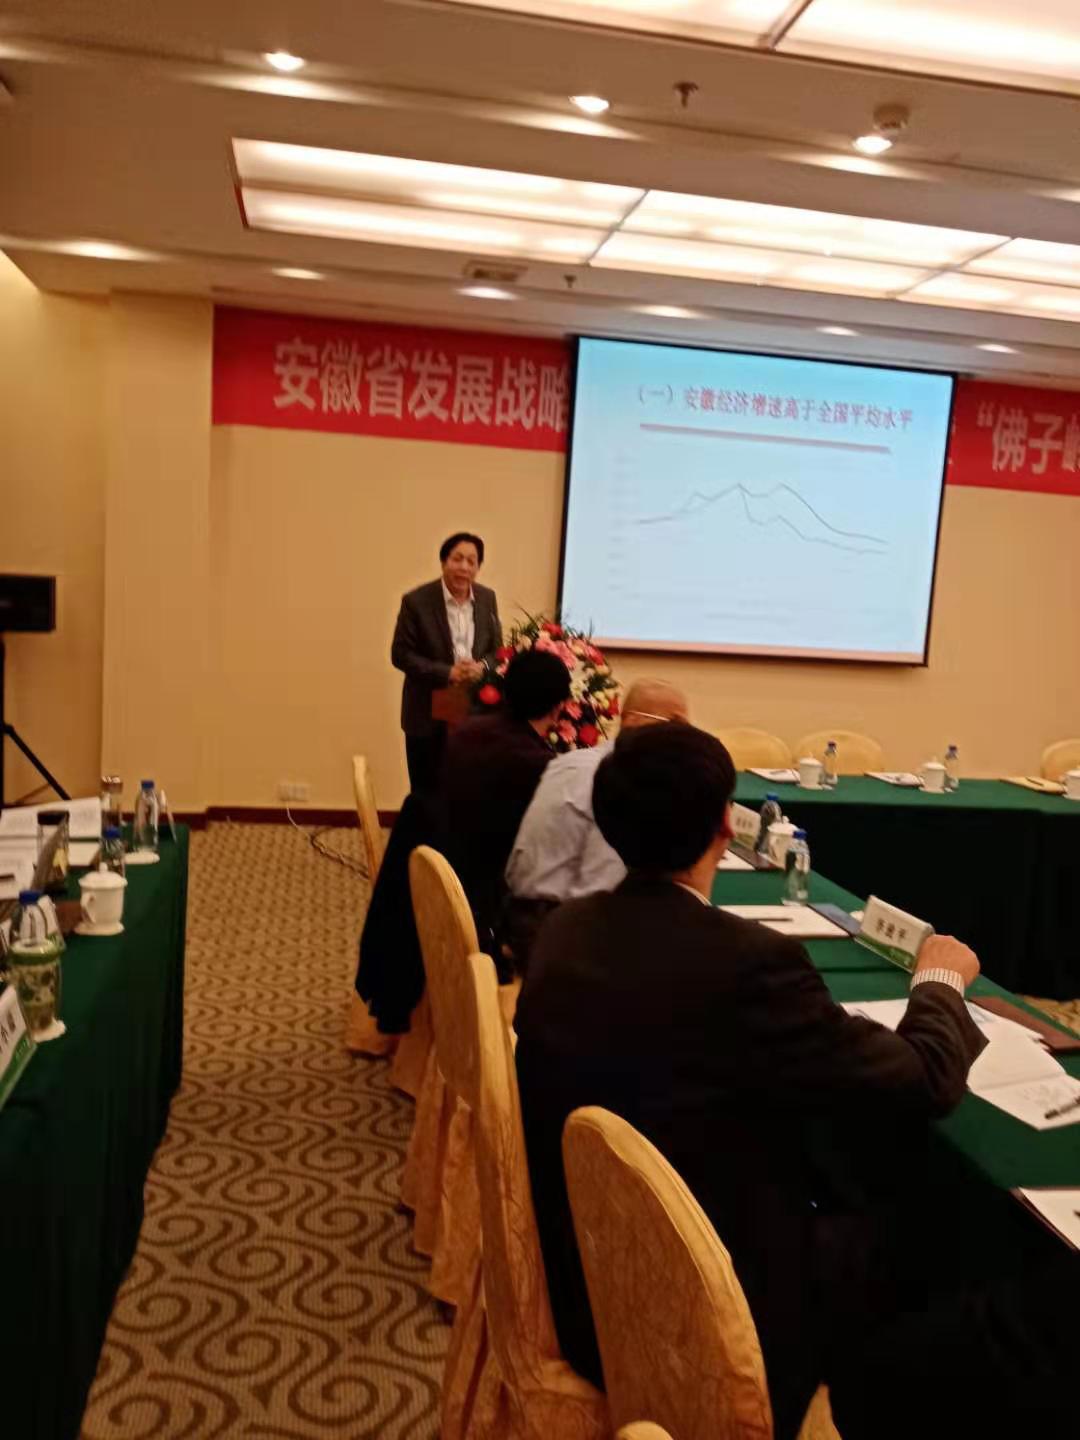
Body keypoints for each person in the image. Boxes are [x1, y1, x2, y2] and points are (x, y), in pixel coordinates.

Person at [515, 723, 987, 1440]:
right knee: (945, 1234)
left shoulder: (565, 929)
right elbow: (924, 1079)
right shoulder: (753, 967)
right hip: (713, 1314)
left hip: (582, 1282)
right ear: (723, 827)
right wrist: (940, 983)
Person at [504, 678, 689, 968]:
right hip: (553, 936)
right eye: (675, 724)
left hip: (520, 913)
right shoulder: (620, 780)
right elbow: (599, 892)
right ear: (632, 721)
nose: (683, 739)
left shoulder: (573, 761)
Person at [440, 649, 570, 957]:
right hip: (488, 905)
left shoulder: (466, 731)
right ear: (559, 707)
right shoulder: (537, 765)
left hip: (444, 876)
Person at [391, 532, 501, 794]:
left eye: (472, 561)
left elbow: (497, 651)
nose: (464, 567)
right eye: (457, 559)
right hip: (428, 704)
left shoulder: (487, 598)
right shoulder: (416, 601)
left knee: (465, 786)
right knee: (427, 790)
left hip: (472, 706)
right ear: (444, 562)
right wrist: (448, 672)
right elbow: (401, 654)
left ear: (478, 567)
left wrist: (482, 667)